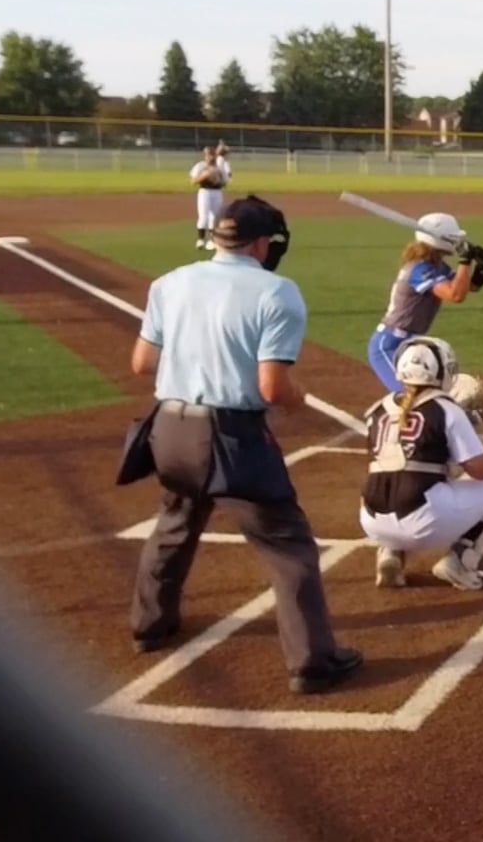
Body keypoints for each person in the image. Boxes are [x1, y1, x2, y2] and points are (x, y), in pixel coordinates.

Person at [124, 195, 362, 694]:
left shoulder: (169, 282)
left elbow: (142, 363)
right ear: (261, 244)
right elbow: (273, 387)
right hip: (231, 436)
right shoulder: (277, 292)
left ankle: (149, 626)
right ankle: (312, 662)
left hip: (168, 429)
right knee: (287, 544)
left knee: (174, 524)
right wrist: (299, 398)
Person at [359, 337, 483, 591]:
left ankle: (390, 553)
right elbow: (480, 471)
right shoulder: (446, 409)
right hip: (423, 523)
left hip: (372, 522)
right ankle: (460, 563)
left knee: (399, 478)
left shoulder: (377, 410)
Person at [366, 213, 483, 395]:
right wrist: (464, 261)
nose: (457, 242)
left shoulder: (438, 267)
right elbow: (455, 295)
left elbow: (469, 287)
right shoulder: (420, 269)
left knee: (422, 395)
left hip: (413, 344)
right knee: (411, 394)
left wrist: (481, 266)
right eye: (453, 238)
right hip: (390, 343)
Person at [187, 146, 229, 250]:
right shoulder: (200, 166)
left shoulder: (219, 167)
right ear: (205, 156)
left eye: (212, 155)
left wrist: (217, 179)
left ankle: (212, 240)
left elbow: (225, 182)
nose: (210, 157)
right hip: (204, 191)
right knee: (203, 216)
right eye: (208, 155)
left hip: (217, 192)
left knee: (215, 216)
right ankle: (200, 240)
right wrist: (204, 176)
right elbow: (192, 182)